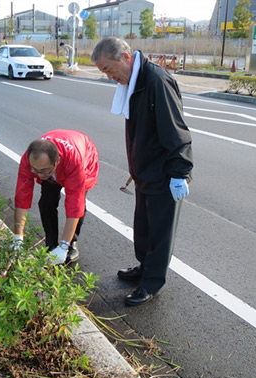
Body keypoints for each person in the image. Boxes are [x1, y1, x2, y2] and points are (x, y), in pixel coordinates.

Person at [91, 37, 193, 307]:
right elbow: (141, 132)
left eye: (108, 69)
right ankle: (143, 267)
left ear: (125, 58)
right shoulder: (134, 81)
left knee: (160, 232)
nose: (109, 76)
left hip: (164, 173)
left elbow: (175, 130)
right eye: (103, 72)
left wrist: (179, 173)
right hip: (145, 171)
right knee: (144, 227)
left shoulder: (156, 81)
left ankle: (151, 283)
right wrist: (136, 165)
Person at [13, 129, 99, 265]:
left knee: (78, 204)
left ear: (57, 162)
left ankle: (71, 244)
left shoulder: (73, 161)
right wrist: (18, 237)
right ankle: (50, 244)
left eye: (44, 171)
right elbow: (22, 197)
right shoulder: (29, 161)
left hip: (82, 154)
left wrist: (64, 246)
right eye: (36, 171)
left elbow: (75, 204)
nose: (40, 175)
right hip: (54, 162)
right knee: (46, 202)